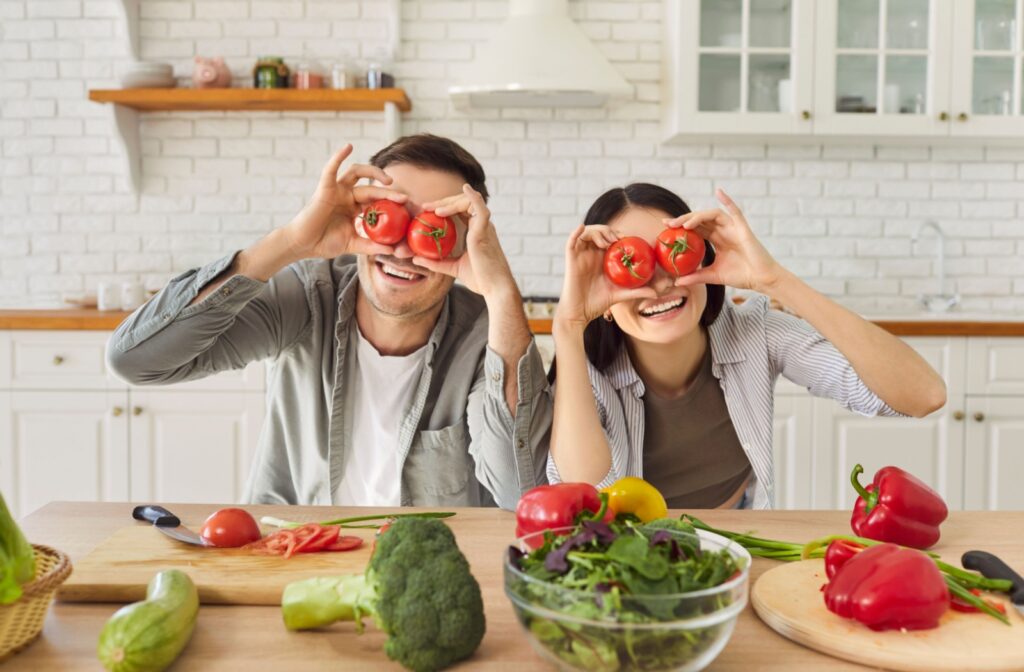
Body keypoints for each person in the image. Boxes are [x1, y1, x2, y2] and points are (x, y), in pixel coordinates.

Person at [107, 134, 551, 510]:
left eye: (433, 228)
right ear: (361, 216)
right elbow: (134, 361)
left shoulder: (484, 336)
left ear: (464, 243)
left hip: (433, 571)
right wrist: (291, 241)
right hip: (294, 558)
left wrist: (502, 294)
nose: (401, 249)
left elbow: (522, 493)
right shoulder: (305, 298)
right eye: (389, 219)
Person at [547, 183, 946, 510]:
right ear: (606, 305)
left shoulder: (756, 334)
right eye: (632, 266)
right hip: (630, 547)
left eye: (673, 253)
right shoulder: (588, 373)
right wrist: (567, 326)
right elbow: (584, 488)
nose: (660, 284)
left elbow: (923, 395)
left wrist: (774, 280)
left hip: (739, 535)